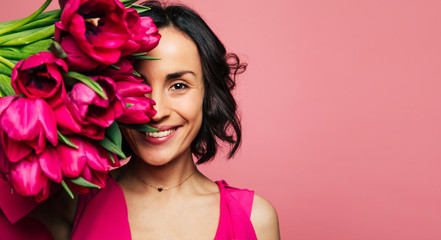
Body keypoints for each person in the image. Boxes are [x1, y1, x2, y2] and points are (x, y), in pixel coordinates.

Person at [70, 1, 280, 239]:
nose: (156, 111)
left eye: (179, 86)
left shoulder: (254, 219)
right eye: (138, 84)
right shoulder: (70, 205)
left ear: (207, 96)